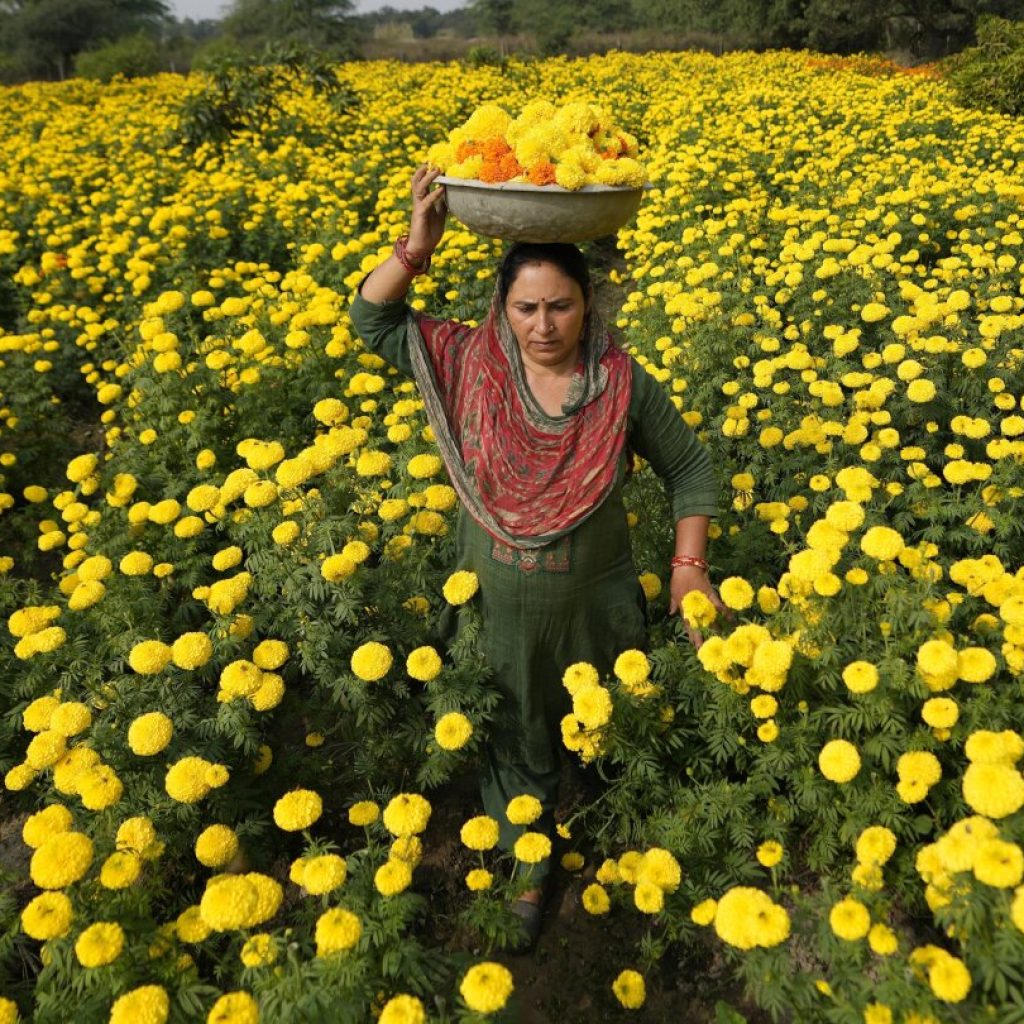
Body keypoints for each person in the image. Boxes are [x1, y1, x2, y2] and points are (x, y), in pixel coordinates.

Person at [349, 165, 723, 950]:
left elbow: (690, 468)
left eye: (561, 305)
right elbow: (374, 322)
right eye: (526, 307)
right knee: (516, 728)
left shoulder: (619, 383)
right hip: (500, 606)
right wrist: (416, 248)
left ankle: (631, 827)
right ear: (502, 307)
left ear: (589, 306)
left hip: (598, 606)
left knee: (612, 728)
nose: (544, 324)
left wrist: (691, 573)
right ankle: (529, 858)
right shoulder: (467, 362)